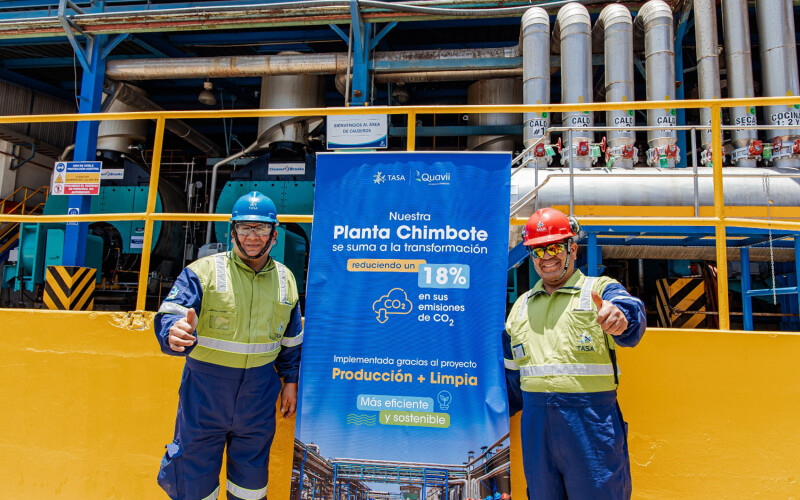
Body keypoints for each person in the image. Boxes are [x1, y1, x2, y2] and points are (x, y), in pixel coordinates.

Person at [154, 191, 303, 500]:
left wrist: (290, 382)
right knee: (193, 479)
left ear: (274, 235)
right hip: (205, 393)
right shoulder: (202, 272)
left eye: (261, 229)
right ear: (232, 230)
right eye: (245, 228)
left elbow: (291, 340)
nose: (252, 236)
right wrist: (173, 332)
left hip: (260, 396)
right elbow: (172, 314)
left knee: (250, 485)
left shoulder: (286, 279)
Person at [503, 207, 646, 500]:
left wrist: (621, 318)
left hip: (591, 421)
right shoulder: (520, 307)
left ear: (573, 249)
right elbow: (511, 381)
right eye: (538, 250)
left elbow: (629, 314)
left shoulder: (599, 289)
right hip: (536, 422)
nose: (546, 258)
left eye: (554, 247)